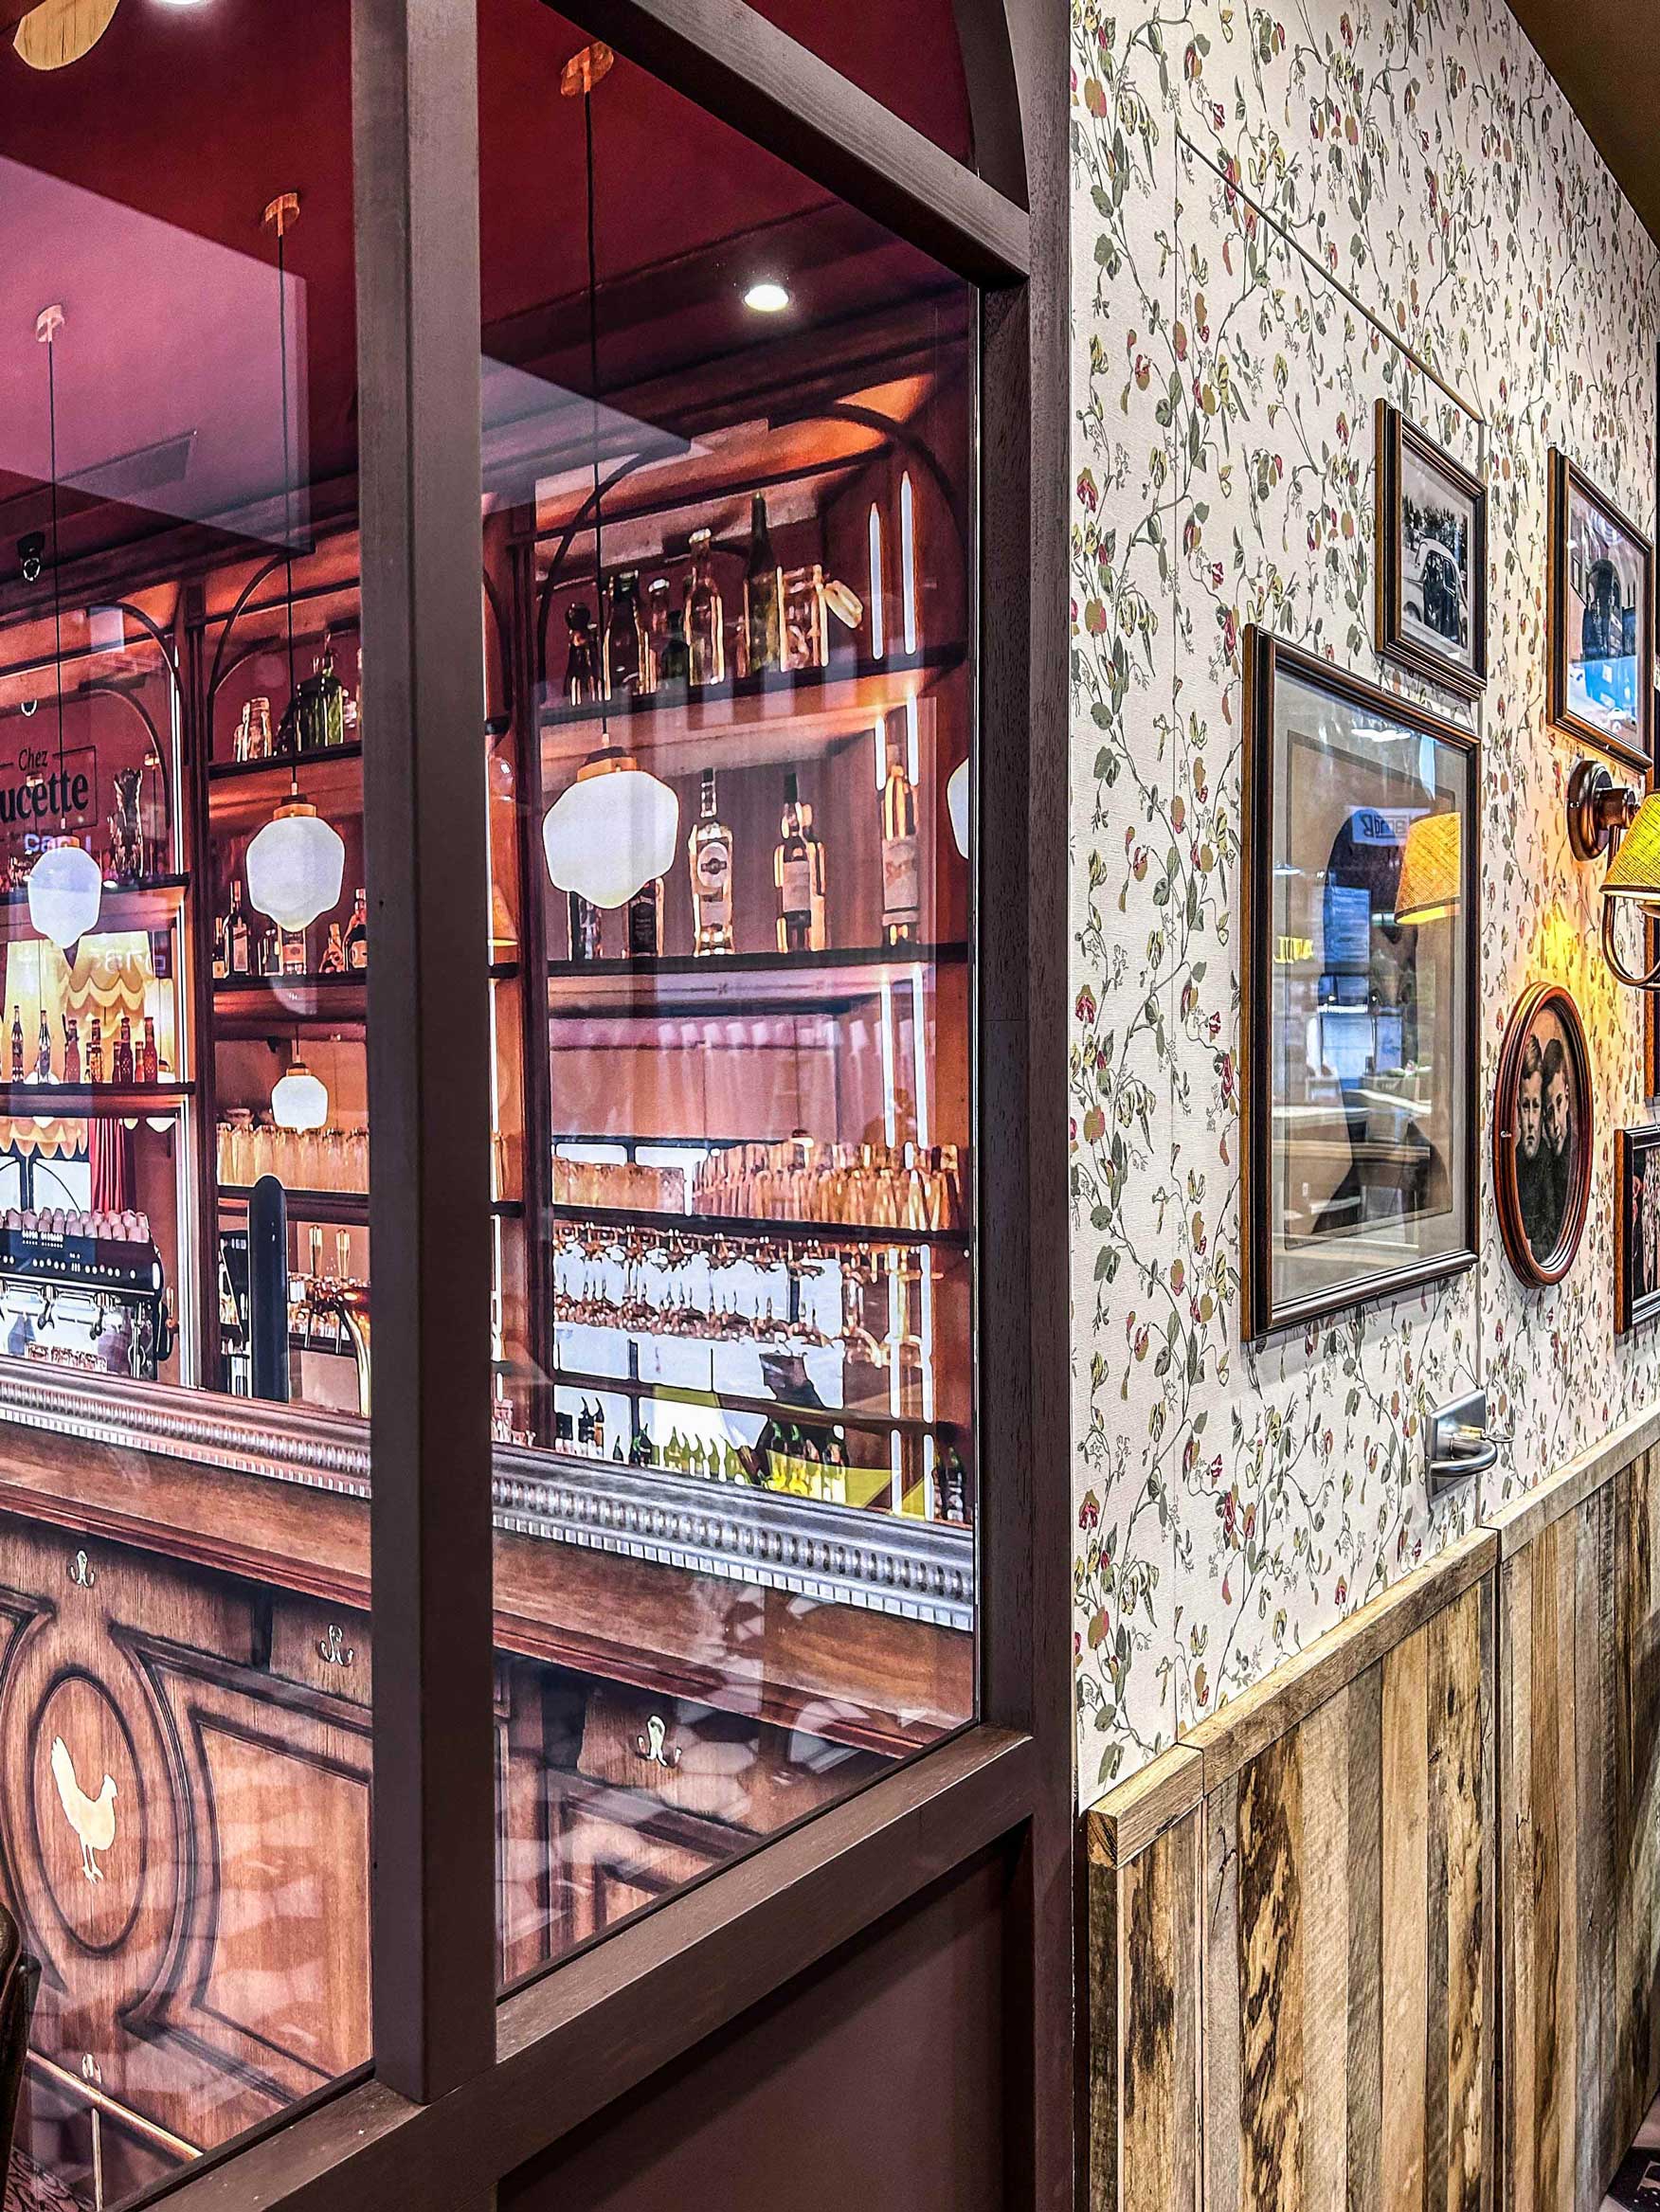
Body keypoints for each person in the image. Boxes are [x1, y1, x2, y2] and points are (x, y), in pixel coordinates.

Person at [1537, 1032, 1575, 1261]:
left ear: (1568, 1096)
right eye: (1549, 1112)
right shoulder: (1542, 1161)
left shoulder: (1577, 1159)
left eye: (1559, 1102)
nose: (1555, 1124)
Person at [1515, 1036, 1553, 1256]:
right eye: (1525, 1106)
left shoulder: (1548, 1162)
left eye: (1535, 1106)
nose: (1530, 1120)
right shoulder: (1512, 1161)